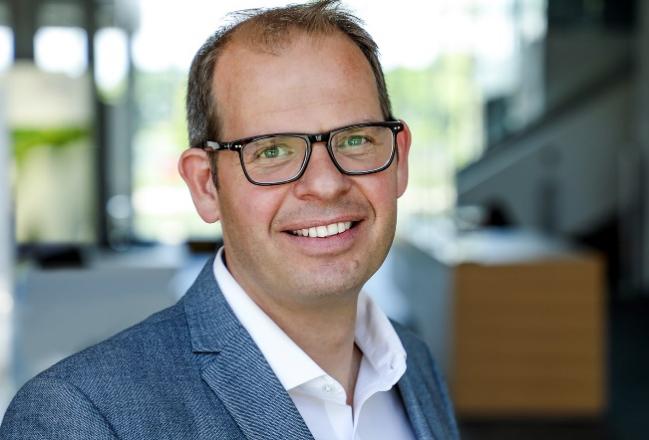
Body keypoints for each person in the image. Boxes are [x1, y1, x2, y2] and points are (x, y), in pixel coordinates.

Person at [0, 1, 458, 438]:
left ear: (399, 160)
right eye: (272, 151)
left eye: (356, 140)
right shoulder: (76, 417)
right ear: (206, 185)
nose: (325, 184)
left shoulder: (412, 362)